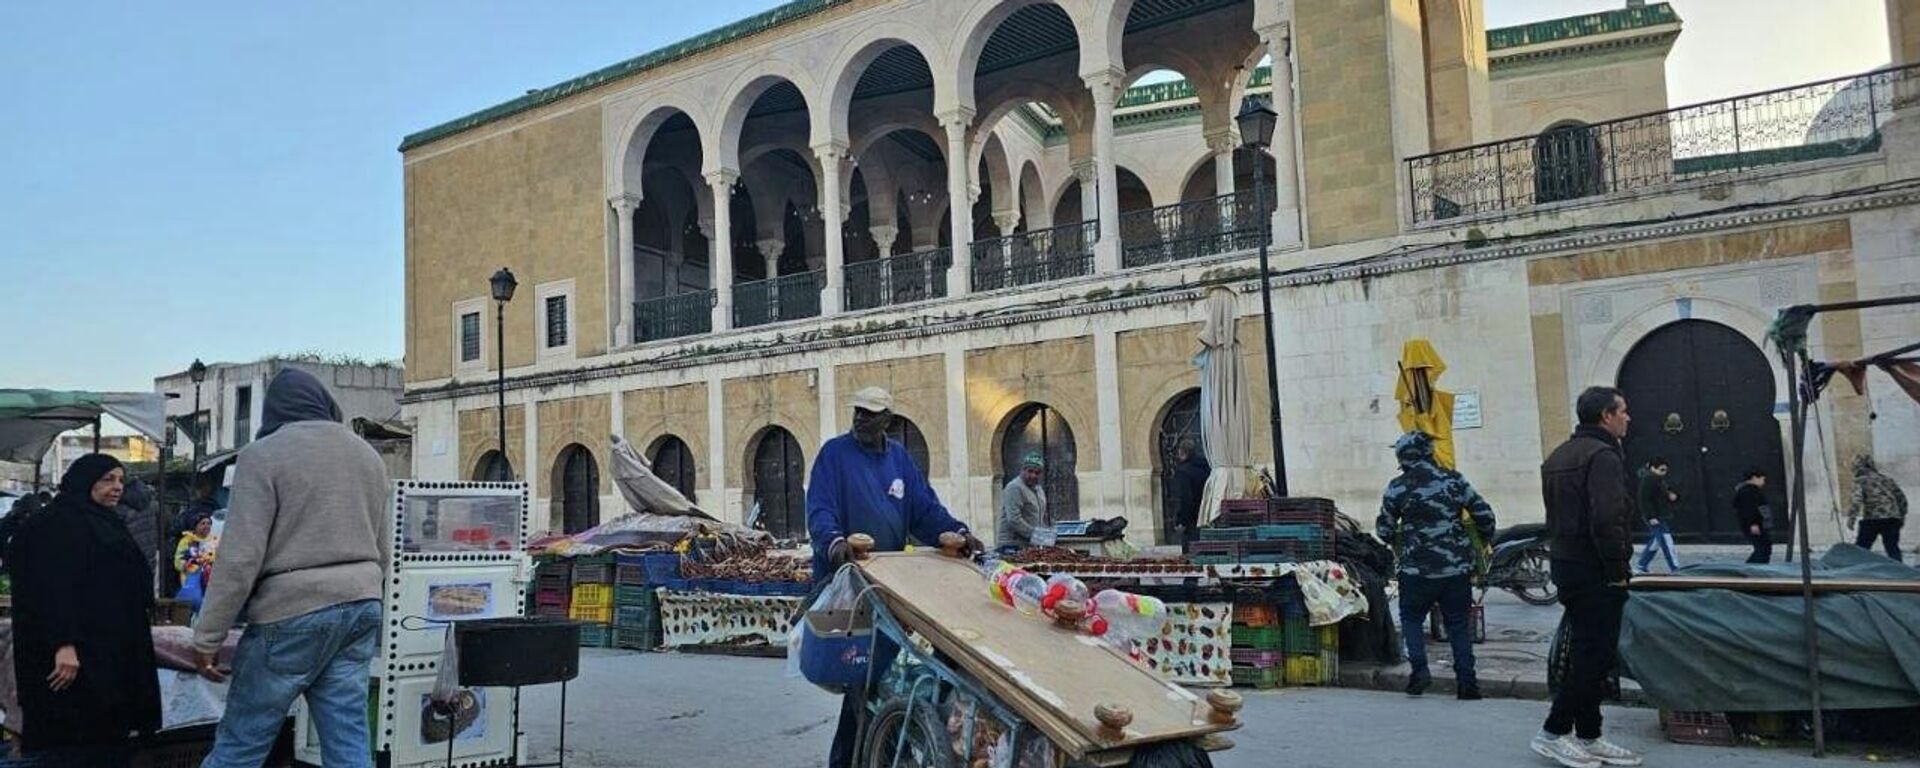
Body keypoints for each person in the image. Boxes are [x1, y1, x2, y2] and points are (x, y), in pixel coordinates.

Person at [194, 368, 392, 768]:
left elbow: (239, 557)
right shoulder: (366, 455)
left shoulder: (262, 455)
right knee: (348, 739)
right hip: (360, 604)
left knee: (242, 743)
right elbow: (383, 546)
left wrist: (207, 637)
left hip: (291, 611)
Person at [806, 386, 979, 768]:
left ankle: (879, 752)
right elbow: (819, 509)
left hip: (890, 591)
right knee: (860, 685)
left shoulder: (899, 459)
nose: (861, 419)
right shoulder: (834, 455)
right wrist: (834, 544)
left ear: (887, 420)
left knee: (877, 683)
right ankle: (849, 760)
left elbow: (925, 511)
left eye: (870, 414)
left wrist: (959, 533)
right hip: (850, 589)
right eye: (858, 412)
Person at [5, 454, 162, 760]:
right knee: (72, 741)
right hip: (74, 654)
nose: (116, 487)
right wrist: (63, 643)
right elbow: (49, 588)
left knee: (104, 737)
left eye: (120, 480)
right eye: (107, 480)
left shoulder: (105, 521)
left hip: (107, 650)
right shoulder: (54, 524)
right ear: (84, 481)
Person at [1531, 386, 1641, 768]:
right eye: (1623, 411)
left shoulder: (1559, 455)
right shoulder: (1603, 456)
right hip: (1596, 569)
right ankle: (1553, 731)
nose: (1628, 417)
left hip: (1566, 564)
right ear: (1606, 416)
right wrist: (1617, 570)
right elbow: (1607, 518)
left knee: (1588, 651)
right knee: (1592, 656)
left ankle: (1590, 735)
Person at [1376, 431, 1496, 700]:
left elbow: (1383, 530)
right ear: (1429, 453)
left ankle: (1419, 671)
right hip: (1455, 569)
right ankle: (1467, 684)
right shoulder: (1454, 480)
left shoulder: (1397, 487)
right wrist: (1480, 541)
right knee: (1458, 625)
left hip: (1415, 571)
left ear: (1402, 458)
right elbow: (1484, 515)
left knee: (1411, 619)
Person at [1847, 454, 1907, 562]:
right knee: (1892, 548)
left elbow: (1856, 500)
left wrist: (1851, 519)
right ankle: (1901, 573)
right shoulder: (1887, 479)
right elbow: (1902, 499)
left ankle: (1856, 571)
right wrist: (1901, 517)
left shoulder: (1860, 480)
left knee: (1861, 548)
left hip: (1872, 519)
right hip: (1892, 519)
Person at [1633, 458, 1680, 574]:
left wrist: (1669, 495)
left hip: (1658, 515)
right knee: (1666, 540)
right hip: (1655, 516)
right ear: (1653, 468)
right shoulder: (1650, 480)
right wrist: (1650, 516)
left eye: (1665, 470)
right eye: (1661, 469)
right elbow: (1644, 500)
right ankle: (1675, 567)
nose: (1664, 472)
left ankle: (1641, 565)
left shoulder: (1656, 480)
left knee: (1657, 541)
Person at [997, 453, 1048, 554]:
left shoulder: (1038, 489)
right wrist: (1036, 535)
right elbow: (1014, 519)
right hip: (1012, 546)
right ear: (1023, 470)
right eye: (1030, 471)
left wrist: (1047, 534)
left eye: (1037, 473)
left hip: (1029, 545)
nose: (1033, 475)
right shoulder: (1014, 487)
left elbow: (1038, 517)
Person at [1166, 439, 1211, 544]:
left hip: (1191, 522)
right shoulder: (1207, 468)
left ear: (1182, 453)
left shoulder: (1184, 472)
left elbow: (1186, 498)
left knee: (1190, 555)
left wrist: (1182, 521)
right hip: (1206, 517)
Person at [1733, 469, 1772, 565]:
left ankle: (1754, 566)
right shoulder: (1748, 492)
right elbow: (1749, 509)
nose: (1763, 482)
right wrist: (1753, 523)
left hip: (1757, 523)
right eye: (1762, 479)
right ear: (1754, 478)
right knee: (1763, 548)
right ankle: (1754, 567)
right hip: (1755, 524)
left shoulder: (1750, 491)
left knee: (1764, 547)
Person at [174, 513, 218, 587]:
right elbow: (178, 561)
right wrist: (186, 565)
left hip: (211, 583)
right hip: (191, 581)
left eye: (209, 523)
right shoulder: (187, 541)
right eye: (203, 523)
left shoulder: (215, 540)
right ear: (195, 526)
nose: (206, 526)